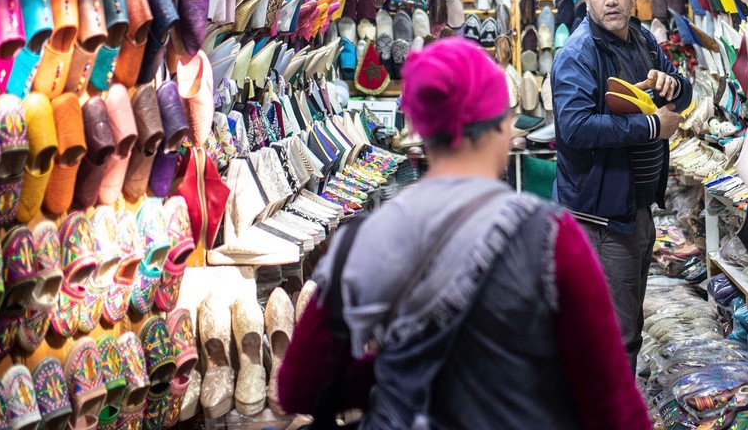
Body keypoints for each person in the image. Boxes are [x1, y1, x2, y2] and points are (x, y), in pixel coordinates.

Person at [276, 37, 651, 430]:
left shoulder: (361, 242)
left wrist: (396, 371)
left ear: (420, 132)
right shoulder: (551, 238)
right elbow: (613, 406)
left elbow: (299, 388)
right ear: (502, 126)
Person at [551, 0, 692, 370]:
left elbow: (682, 94)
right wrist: (652, 126)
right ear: (587, 0)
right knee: (615, 336)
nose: (610, 0)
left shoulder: (642, 40)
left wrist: (673, 85)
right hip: (599, 218)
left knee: (627, 327)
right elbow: (575, 127)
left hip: (632, 209)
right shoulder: (578, 54)